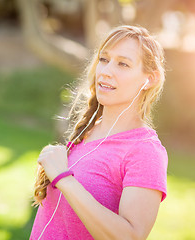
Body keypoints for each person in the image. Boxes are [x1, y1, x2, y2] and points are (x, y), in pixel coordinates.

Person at [29, 25, 168, 240]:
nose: (106, 71)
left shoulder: (145, 151)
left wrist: (64, 179)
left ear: (150, 79)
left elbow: (130, 236)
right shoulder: (87, 131)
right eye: (104, 59)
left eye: (123, 64)